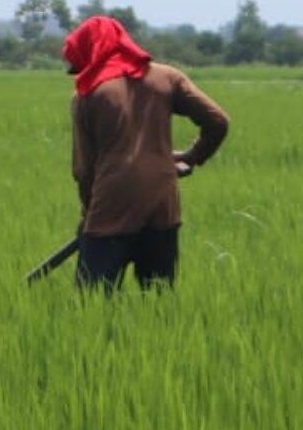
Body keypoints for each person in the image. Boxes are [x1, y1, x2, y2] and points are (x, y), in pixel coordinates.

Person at [61, 16, 230, 291]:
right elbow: (218, 121)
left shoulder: (88, 95)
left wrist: (88, 217)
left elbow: (84, 169)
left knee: (89, 303)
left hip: (111, 208)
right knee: (158, 305)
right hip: (163, 206)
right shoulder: (167, 78)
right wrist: (192, 156)